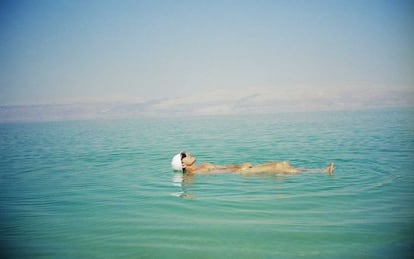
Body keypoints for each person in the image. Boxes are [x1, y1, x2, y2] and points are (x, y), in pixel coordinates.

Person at [171, 152, 334, 175]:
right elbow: (220, 172)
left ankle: (318, 170)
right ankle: (322, 172)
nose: (189, 153)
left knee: (283, 164)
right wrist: (240, 169)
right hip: (241, 174)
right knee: (279, 166)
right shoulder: (194, 173)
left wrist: (239, 164)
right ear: (183, 165)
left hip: (240, 170)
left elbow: (224, 167)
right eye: (184, 155)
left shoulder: (203, 165)